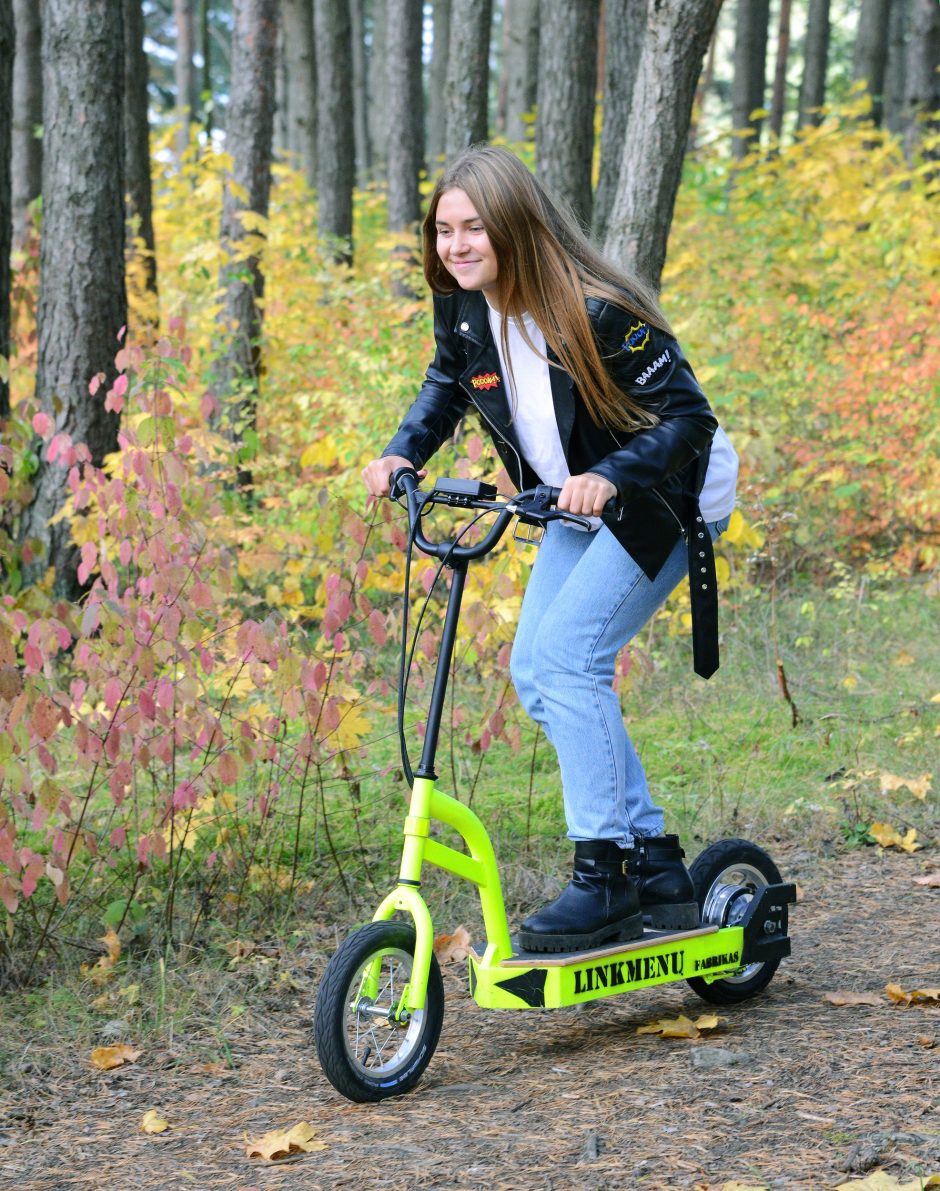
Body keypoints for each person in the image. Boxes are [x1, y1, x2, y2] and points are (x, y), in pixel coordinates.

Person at [362, 145, 738, 954]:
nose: (456, 246)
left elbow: (689, 421)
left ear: (515, 228)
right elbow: (445, 383)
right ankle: (658, 862)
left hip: (668, 497)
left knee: (570, 660)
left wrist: (608, 475)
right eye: (443, 230)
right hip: (577, 499)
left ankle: (604, 874)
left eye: (474, 229)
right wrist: (403, 452)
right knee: (537, 671)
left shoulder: (595, 311)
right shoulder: (466, 308)